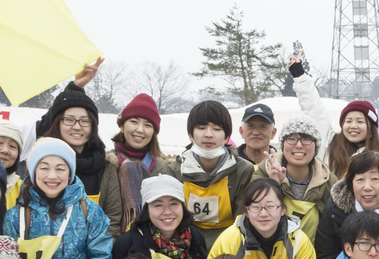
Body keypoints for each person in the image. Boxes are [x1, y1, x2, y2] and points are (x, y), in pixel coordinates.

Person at [207, 177, 317, 259]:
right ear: (246, 211)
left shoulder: (299, 242)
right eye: (256, 207)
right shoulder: (230, 239)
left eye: (270, 206)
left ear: (282, 209)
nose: (263, 213)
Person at [110, 173, 207, 259]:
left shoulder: (195, 237)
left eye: (174, 204)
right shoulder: (127, 243)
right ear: (147, 210)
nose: (167, 212)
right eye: (158, 205)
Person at [174, 101, 254, 238]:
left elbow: (242, 222)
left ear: (227, 137)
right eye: (201, 128)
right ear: (190, 135)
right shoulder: (175, 170)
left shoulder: (244, 170)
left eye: (217, 129)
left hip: (229, 246)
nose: (209, 134)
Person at [102, 93, 172, 233]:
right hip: (111, 242)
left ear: (153, 132)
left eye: (147, 125)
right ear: (122, 126)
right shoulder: (107, 163)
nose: (140, 130)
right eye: (134, 121)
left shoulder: (161, 168)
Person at [33, 84, 109, 200]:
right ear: (56, 123)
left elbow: (113, 213)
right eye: (69, 120)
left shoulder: (106, 166)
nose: (77, 127)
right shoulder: (38, 160)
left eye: (85, 121)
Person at [267, 112, 334, 243]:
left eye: (306, 139)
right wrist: (273, 185)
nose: (298, 145)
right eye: (291, 138)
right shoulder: (263, 174)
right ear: (283, 144)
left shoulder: (329, 180)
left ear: (316, 146)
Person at [235, 102, 277, 167]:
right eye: (250, 126)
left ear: (273, 133)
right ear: (241, 131)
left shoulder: (283, 163)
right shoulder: (229, 163)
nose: (256, 132)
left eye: (262, 126)